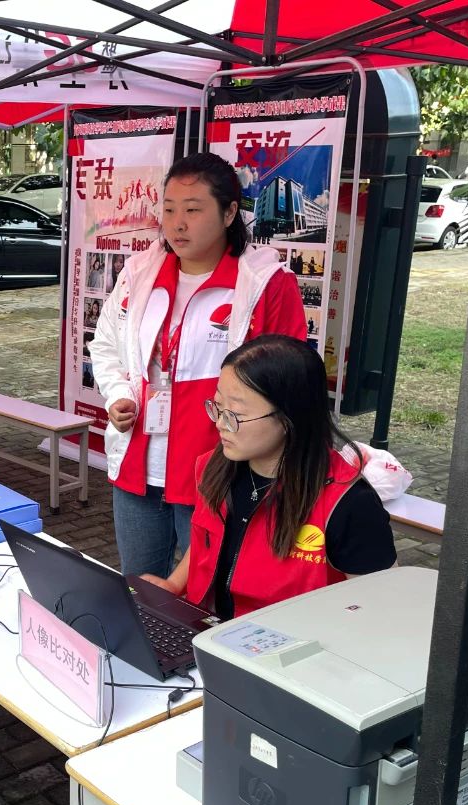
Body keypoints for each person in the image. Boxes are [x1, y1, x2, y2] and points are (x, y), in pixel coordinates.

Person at [112, 334, 397, 805]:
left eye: (236, 413)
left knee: (215, 765)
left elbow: (381, 622)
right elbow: (200, 551)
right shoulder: (217, 467)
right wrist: (170, 588)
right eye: (216, 406)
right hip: (207, 652)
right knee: (129, 738)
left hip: (294, 686)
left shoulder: (346, 505)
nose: (220, 422)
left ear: (290, 417)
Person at [89, 151, 305, 580]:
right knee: (140, 588)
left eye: (192, 210)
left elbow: (292, 380)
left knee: (208, 595)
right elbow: (106, 345)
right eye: (169, 210)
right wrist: (118, 395)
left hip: (220, 474)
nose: (177, 224)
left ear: (229, 213)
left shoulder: (265, 285)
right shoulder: (139, 274)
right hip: (138, 467)